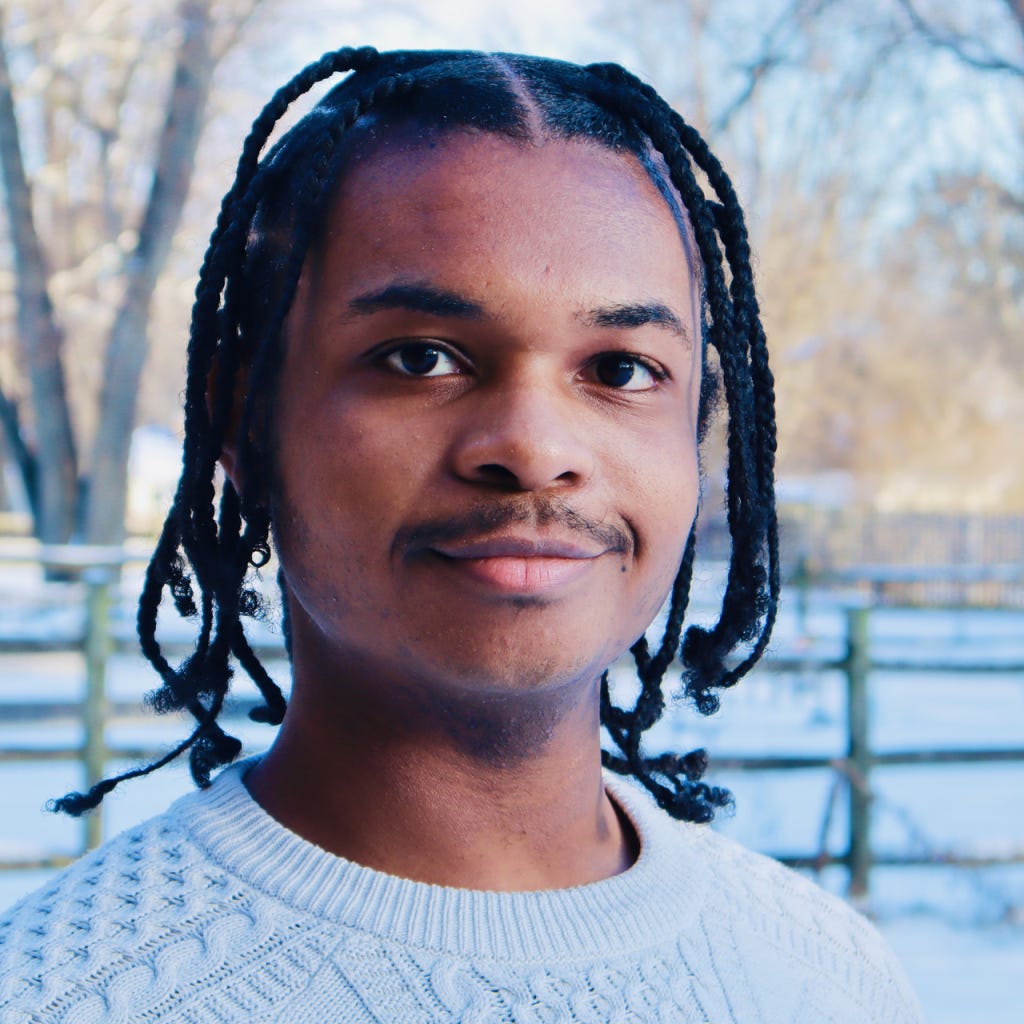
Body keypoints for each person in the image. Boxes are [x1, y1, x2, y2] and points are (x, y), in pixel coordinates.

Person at [0, 47, 923, 1023]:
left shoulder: (833, 979)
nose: (533, 448)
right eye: (421, 358)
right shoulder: (57, 995)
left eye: (619, 370)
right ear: (245, 419)